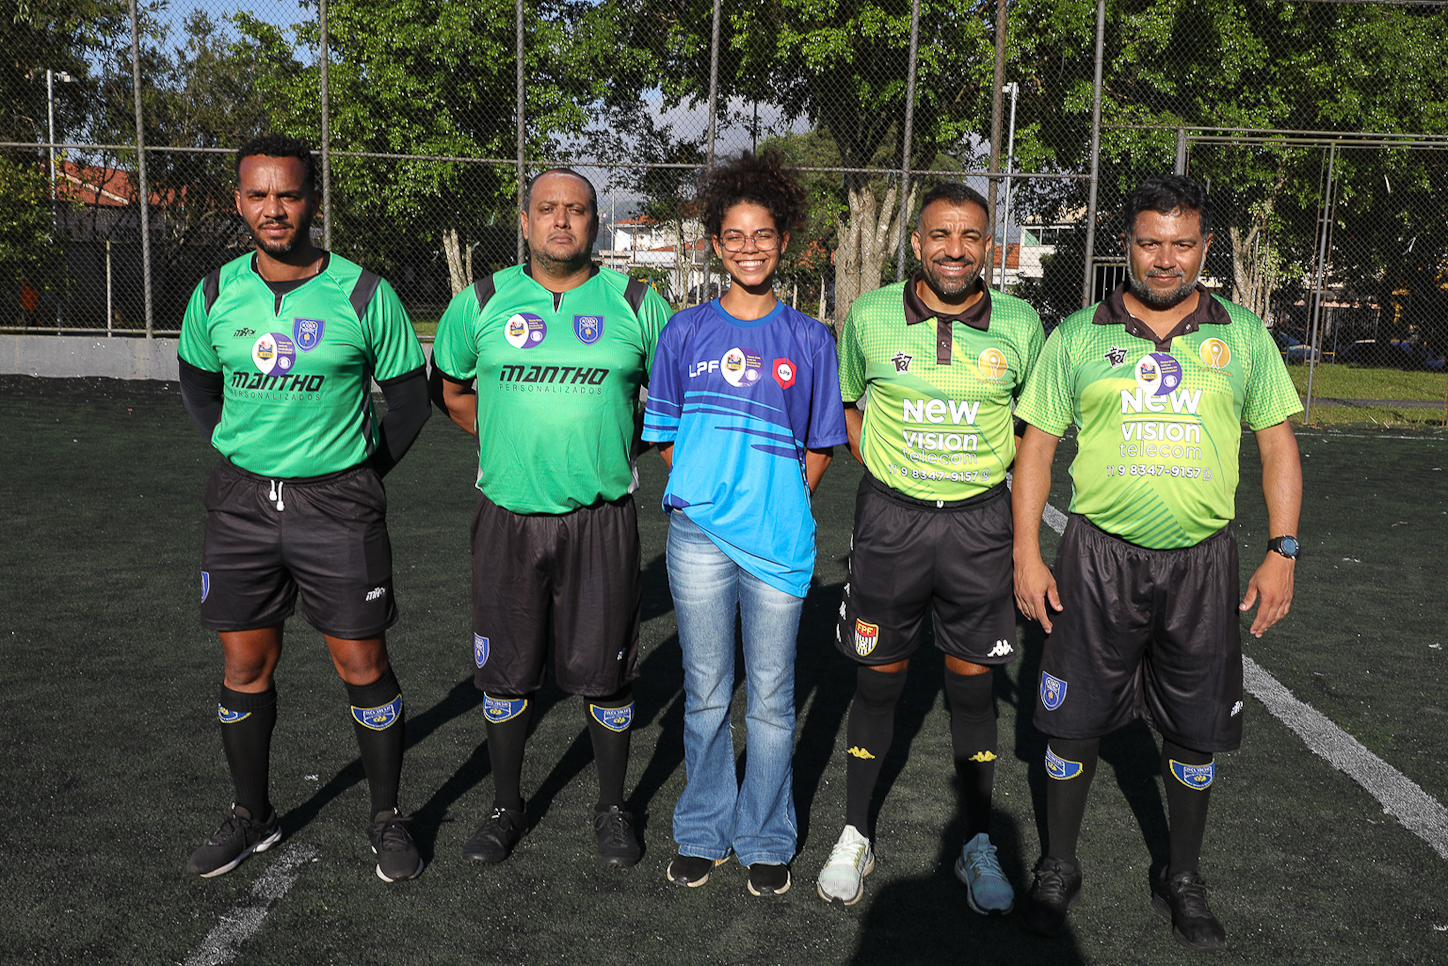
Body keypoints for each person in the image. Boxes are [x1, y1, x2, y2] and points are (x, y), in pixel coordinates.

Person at [1012, 174, 1303, 950]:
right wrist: (1026, 553)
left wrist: (1283, 549)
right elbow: (1036, 446)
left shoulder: (1241, 335)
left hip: (1202, 564)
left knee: (1195, 728)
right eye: (1150, 243)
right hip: (1096, 558)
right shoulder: (1077, 334)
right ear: (1128, 247)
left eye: (1181, 244)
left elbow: (1276, 442)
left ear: (1203, 248)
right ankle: (1058, 865)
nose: (1165, 259)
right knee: (1071, 721)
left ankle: (1182, 875)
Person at [177, 134, 431, 883]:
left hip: (338, 506)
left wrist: (356, 471)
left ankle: (387, 817)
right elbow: (197, 382)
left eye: (288, 195)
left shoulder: (363, 293)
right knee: (244, 661)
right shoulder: (215, 293)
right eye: (258, 195)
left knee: (363, 661)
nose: (273, 209)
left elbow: (410, 402)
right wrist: (237, 450)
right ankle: (251, 817)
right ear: (239, 202)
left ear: (313, 201)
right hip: (242, 504)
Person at [430, 168, 671, 868]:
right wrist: (511, 444)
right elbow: (452, 390)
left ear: (595, 222)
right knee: (505, 672)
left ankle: (613, 808)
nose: (561, 221)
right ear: (525, 220)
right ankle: (507, 806)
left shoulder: (635, 301)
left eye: (577, 210)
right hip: (507, 516)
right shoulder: (479, 301)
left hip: (601, 519)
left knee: (608, 672)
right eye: (547, 209)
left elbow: (671, 398)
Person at [817, 183, 1044, 912]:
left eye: (971, 236)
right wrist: (896, 473)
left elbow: (1031, 430)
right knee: (878, 676)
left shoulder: (1020, 323)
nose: (955, 249)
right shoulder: (872, 315)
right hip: (893, 524)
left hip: (980, 527)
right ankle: (856, 831)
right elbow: (850, 407)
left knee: (970, 685)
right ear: (915, 243)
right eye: (941, 235)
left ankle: (977, 843)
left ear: (988, 246)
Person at [642, 151, 848, 897]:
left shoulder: (811, 338)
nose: (750, 247)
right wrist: (706, 491)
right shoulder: (685, 331)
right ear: (715, 244)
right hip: (697, 536)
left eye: (763, 234)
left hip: (779, 543)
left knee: (770, 697)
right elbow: (665, 434)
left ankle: (765, 835)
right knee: (704, 692)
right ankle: (702, 829)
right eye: (735, 236)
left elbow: (823, 443)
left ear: (783, 240)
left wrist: (781, 501)